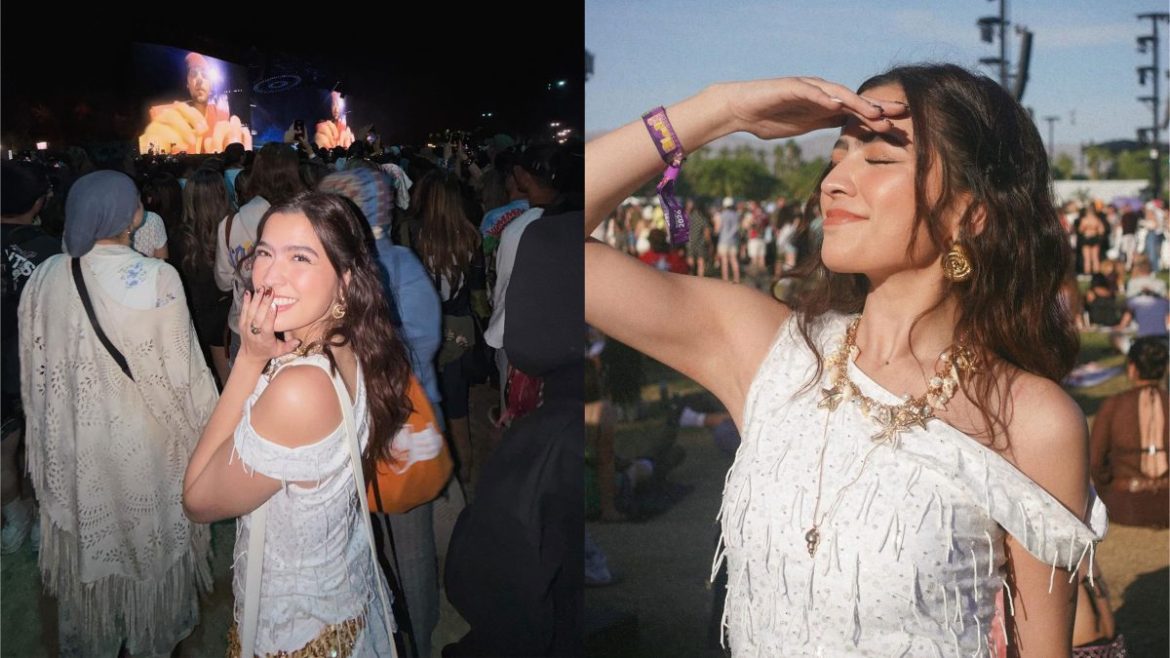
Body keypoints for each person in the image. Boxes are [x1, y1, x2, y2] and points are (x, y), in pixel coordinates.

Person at [585, 65, 1106, 655]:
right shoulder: (767, 351)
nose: (834, 180)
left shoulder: (1032, 419)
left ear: (971, 214)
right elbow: (549, 245)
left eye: (879, 160)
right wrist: (720, 110)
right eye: (837, 155)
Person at [183, 192, 412, 656]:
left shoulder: (301, 387)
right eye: (264, 252)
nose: (269, 275)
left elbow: (197, 500)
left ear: (346, 282)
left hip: (300, 631)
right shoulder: (349, 341)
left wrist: (248, 360)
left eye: (300, 257)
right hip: (343, 600)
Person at [20, 170, 217, 656]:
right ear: (130, 214)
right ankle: (152, 637)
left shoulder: (44, 275)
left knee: (92, 548)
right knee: (150, 554)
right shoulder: (157, 278)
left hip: (74, 444)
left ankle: (94, 639)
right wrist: (214, 437)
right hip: (146, 448)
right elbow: (186, 377)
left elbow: (36, 369)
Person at [1, 160, 58, 554]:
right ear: (38, 203)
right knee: (43, 444)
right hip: (39, 361)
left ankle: (13, 522)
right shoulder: (51, 251)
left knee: (2, 448)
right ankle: (42, 522)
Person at [1090, 336, 1169, 528]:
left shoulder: (1114, 406)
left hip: (1125, 506)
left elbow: (1095, 461)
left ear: (1132, 368)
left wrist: (1106, 491)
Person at [138, 51, 253, 155]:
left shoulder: (221, 115)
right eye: (193, 74)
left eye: (205, 75)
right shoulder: (166, 113)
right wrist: (151, 149)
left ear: (211, 85)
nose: (199, 79)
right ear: (188, 83)